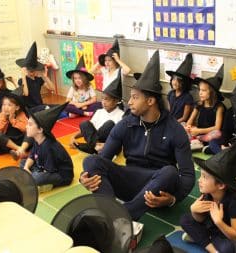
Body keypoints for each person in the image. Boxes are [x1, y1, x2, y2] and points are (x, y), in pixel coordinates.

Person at [80, 50, 195, 220]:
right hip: (130, 181)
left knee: (170, 172)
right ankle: (115, 211)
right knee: (90, 161)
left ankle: (124, 214)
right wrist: (86, 178)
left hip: (157, 189)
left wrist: (173, 200)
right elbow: (103, 160)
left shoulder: (175, 130)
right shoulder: (126, 124)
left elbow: (187, 175)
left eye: (135, 97)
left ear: (150, 101)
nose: (130, 102)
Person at [180, 135, 236, 253]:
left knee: (228, 249)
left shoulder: (234, 202)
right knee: (185, 219)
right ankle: (213, 250)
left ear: (221, 185)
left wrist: (219, 221)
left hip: (235, 237)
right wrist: (194, 211)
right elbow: (200, 219)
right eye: (201, 175)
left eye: (204, 177)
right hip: (216, 231)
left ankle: (202, 239)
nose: (199, 180)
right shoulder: (209, 194)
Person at [22, 103, 74, 191]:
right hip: (43, 167)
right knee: (23, 163)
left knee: (37, 178)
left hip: (60, 174)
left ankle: (47, 184)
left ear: (40, 130)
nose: (26, 127)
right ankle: (34, 178)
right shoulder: (37, 139)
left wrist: (33, 175)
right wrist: (26, 168)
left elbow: (49, 171)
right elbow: (32, 156)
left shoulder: (49, 147)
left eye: (30, 124)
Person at [70, 70, 124, 154]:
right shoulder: (99, 111)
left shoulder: (121, 115)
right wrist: (73, 137)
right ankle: (95, 147)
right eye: (102, 99)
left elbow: (121, 137)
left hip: (109, 144)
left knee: (109, 124)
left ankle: (91, 147)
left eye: (107, 99)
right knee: (84, 123)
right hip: (95, 139)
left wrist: (106, 144)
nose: (103, 102)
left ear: (115, 101)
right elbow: (88, 130)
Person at [185, 65, 225, 151]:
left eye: (203, 90)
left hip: (208, 135)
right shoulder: (199, 104)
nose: (200, 93)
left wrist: (199, 131)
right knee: (183, 126)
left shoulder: (219, 107)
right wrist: (188, 127)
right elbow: (190, 121)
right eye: (199, 90)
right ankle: (196, 143)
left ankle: (199, 143)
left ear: (212, 93)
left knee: (217, 133)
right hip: (197, 134)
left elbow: (217, 128)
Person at [16, 42, 55, 112]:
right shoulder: (22, 80)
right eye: (30, 71)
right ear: (26, 69)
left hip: (40, 106)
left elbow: (52, 88)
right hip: (30, 109)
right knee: (47, 108)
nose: (32, 73)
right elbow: (26, 93)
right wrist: (23, 76)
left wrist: (45, 77)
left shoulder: (38, 79)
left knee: (58, 107)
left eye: (34, 70)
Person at [0, 90, 32, 158]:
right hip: (8, 143)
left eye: (9, 105)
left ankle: (20, 151)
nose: (5, 107)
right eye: (4, 105)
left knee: (31, 131)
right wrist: (4, 118)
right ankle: (20, 150)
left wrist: (13, 121)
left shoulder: (21, 114)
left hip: (20, 140)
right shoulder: (1, 115)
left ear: (17, 107)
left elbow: (25, 129)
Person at [165, 53, 194, 123]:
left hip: (181, 123)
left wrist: (174, 123)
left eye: (178, 81)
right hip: (170, 121)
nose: (175, 82)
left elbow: (184, 117)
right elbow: (169, 110)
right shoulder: (170, 94)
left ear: (184, 83)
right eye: (173, 79)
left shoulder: (187, 97)